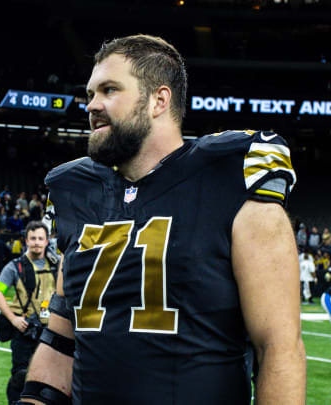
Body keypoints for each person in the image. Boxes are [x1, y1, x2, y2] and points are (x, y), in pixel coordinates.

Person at [19, 34, 305, 405]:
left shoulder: (232, 177)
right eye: (90, 93)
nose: (92, 105)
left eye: (109, 90)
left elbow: (279, 350)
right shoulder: (75, 190)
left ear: (159, 99)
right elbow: (61, 340)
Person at [0, 221, 59, 404]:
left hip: (49, 331)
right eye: (33, 238)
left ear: (47, 241)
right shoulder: (15, 266)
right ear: (26, 241)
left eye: (40, 238)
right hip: (24, 329)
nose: (36, 242)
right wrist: (12, 319)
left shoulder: (57, 265)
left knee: (48, 377)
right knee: (20, 376)